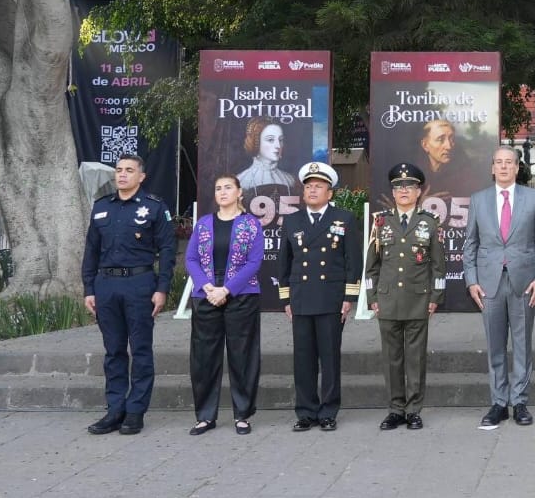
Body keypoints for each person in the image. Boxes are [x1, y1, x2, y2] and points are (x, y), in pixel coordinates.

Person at [81, 154, 176, 436]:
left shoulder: (154, 208)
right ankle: (115, 409)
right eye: (119, 170)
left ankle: (135, 411)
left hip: (139, 284)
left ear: (141, 176)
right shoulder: (101, 207)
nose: (122, 175)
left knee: (141, 349)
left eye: (129, 170)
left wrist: (162, 289)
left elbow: (168, 250)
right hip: (106, 285)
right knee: (114, 351)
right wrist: (89, 288)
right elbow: (91, 251)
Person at [465, 146, 535, 429]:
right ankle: (499, 403)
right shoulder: (478, 201)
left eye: (509, 163)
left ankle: (520, 402)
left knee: (523, 343)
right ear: (492, 168)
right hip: (489, 283)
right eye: (498, 163)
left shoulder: (533, 199)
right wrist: (472, 281)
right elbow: (471, 245)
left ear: (517, 168)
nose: (503, 167)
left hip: (525, 283)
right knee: (495, 345)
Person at [276, 161, 361, 431]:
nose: (312, 191)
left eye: (319, 187)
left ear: (330, 193)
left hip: (331, 298)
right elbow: (284, 263)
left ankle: (328, 411)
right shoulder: (291, 221)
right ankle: (305, 411)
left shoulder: (344, 219)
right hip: (301, 298)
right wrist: (286, 300)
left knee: (329, 357)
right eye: (309, 187)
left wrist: (349, 298)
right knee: (303, 358)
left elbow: (353, 262)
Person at [184, 174, 265, 435]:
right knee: (204, 357)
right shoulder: (204, 224)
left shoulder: (251, 224)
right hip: (206, 294)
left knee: (243, 355)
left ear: (239, 192)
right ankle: (205, 415)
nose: (222, 192)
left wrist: (227, 290)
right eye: (218, 188)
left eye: (228, 187)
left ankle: (243, 414)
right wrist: (207, 286)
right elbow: (191, 258)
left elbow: (254, 262)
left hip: (241, 295)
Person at [366, 163, 445, 430]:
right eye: (398, 187)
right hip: (386, 300)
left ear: (418, 191)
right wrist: (371, 296)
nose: (403, 191)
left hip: (418, 299)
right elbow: (371, 266)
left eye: (409, 187)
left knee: (415, 357)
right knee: (391, 358)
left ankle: (413, 410)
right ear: (393, 191)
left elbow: (438, 265)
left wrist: (436, 297)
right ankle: (395, 409)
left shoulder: (429, 223)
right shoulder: (381, 222)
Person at [418, 119, 480, 201]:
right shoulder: (415, 173)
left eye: (452, 139)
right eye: (440, 139)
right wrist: (417, 205)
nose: (449, 146)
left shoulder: (466, 176)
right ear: (425, 145)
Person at [236, 120, 296, 197]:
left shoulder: (290, 180)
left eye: (280, 140)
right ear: (256, 143)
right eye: (270, 140)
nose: (278, 145)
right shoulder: (240, 180)